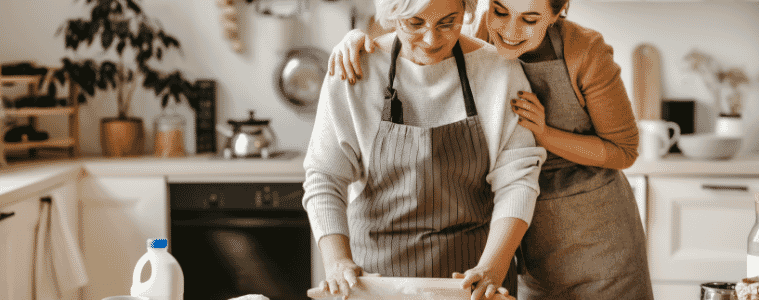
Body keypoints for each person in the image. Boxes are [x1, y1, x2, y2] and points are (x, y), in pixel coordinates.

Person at [323, 0, 654, 299]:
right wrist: (355, 40)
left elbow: (623, 151)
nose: (509, 31)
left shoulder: (584, 51)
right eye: (500, 11)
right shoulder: (474, 34)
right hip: (521, 232)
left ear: (557, 13)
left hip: (591, 229)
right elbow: (424, 19)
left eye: (529, 18)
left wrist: (544, 133)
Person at [302, 0, 549, 298]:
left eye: (448, 22)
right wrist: (337, 260)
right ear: (392, 15)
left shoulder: (499, 70)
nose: (432, 40)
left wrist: (493, 266)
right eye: (415, 24)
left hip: (473, 280)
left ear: (466, 13)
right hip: (374, 281)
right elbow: (325, 177)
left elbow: (518, 180)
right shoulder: (355, 67)